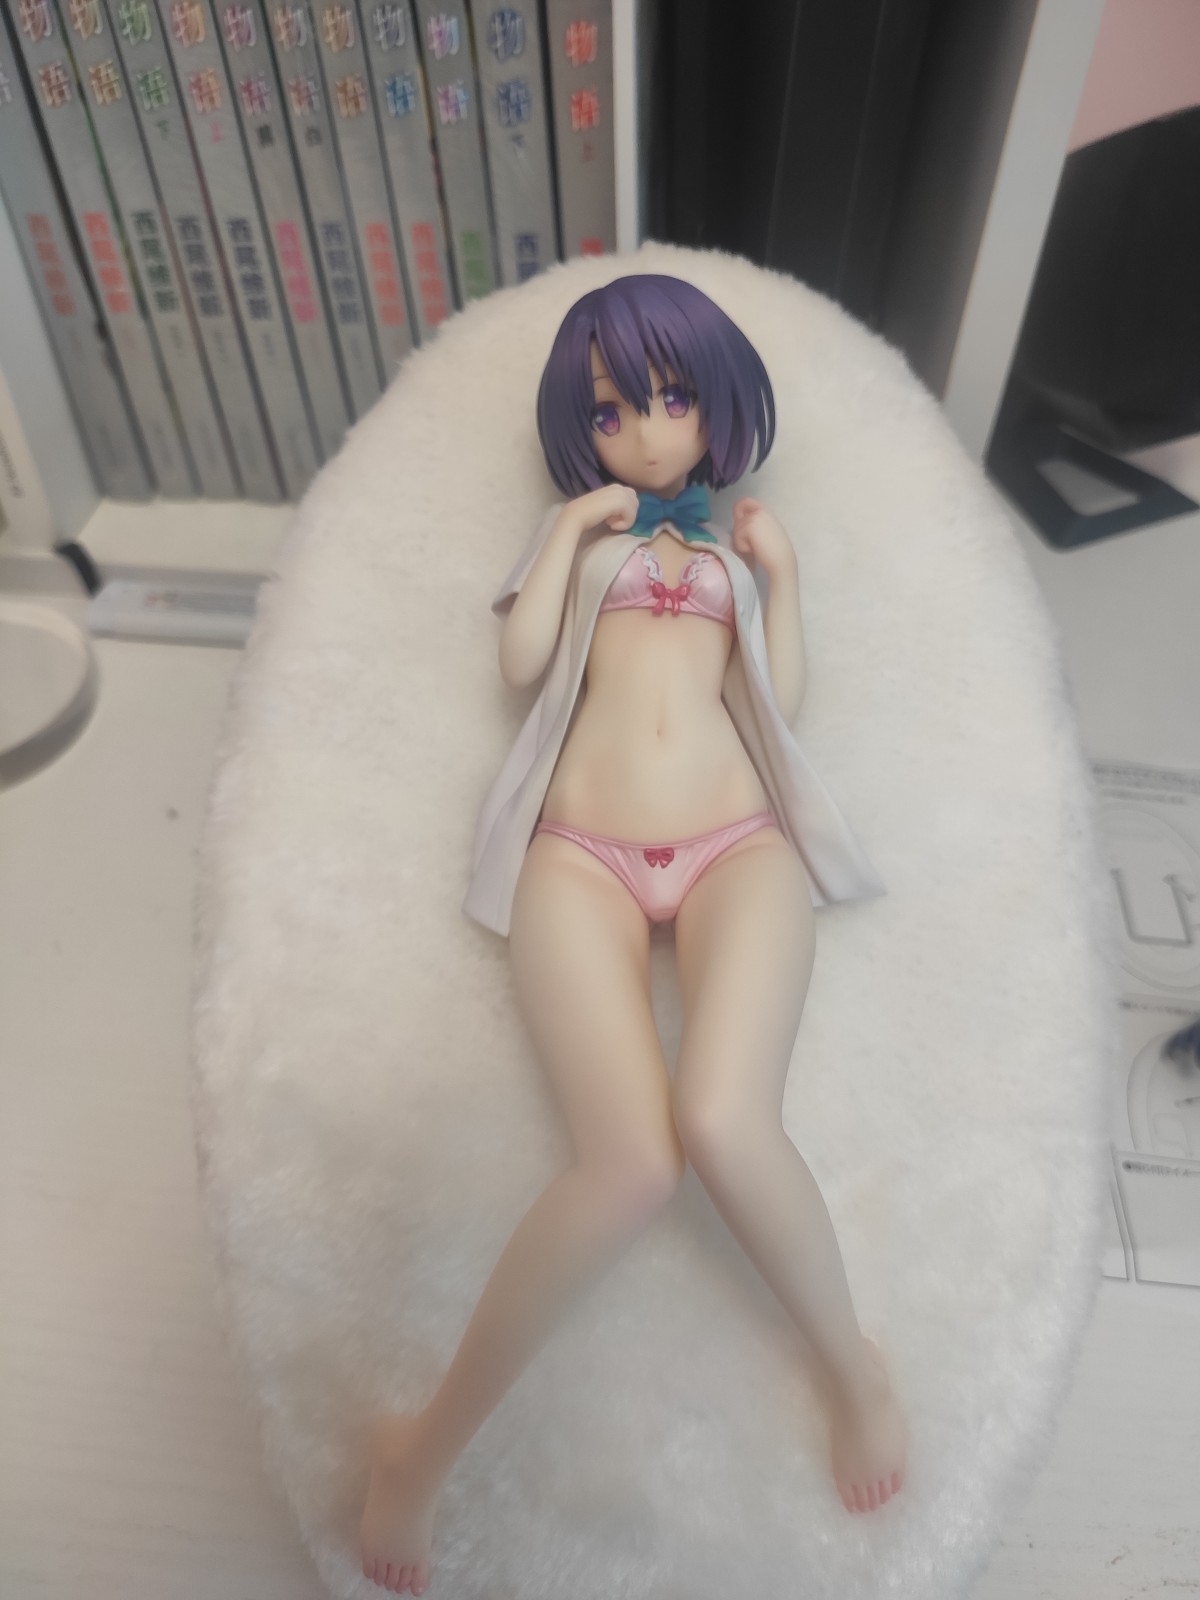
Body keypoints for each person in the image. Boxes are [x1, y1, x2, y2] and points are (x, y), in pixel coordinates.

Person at [360, 274, 907, 1595]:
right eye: (612, 411)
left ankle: (855, 1368)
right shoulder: (594, 545)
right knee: (628, 1167)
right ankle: (423, 1452)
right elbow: (519, 664)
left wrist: (782, 579)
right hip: (580, 854)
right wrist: (564, 532)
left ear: (715, 406)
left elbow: (781, 701)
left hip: (735, 846)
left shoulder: (725, 562)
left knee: (724, 1118)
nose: (648, 431)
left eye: (670, 398)